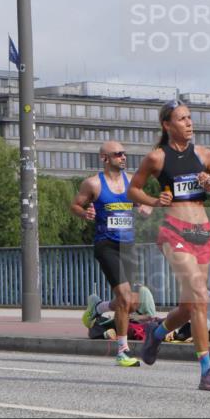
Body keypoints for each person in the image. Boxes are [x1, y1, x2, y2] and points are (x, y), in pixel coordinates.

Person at [128, 100, 210, 391]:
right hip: (174, 231)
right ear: (167, 125)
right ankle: (206, 371)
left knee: (189, 307)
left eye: (190, 118)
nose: (189, 123)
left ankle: (156, 333)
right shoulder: (157, 158)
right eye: (182, 119)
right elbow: (133, 189)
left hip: (203, 233)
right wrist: (154, 200)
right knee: (200, 296)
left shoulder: (204, 154)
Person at [73, 140, 151, 367]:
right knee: (125, 298)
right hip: (106, 244)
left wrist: (146, 207)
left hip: (128, 245)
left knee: (132, 303)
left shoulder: (132, 182)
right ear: (104, 158)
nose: (123, 157)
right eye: (118, 154)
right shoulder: (93, 184)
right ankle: (123, 351)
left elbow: (144, 203)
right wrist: (84, 213)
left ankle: (98, 308)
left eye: (124, 153)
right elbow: (75, 205)